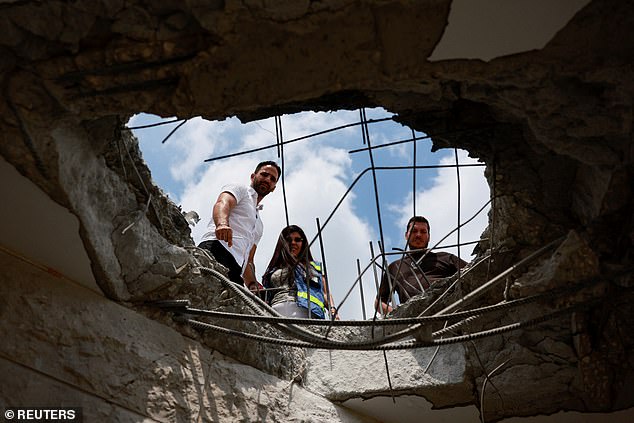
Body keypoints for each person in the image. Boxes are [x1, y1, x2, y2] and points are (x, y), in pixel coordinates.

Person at [198, 161, 281, 289]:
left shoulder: (259, 224)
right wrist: (222, 224)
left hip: (236, 268)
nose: (267, 179)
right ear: (253, 176)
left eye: (272, 179)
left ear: (273, 187)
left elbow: (249, 259)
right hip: (217, 248)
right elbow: (223, 203)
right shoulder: (241, 189)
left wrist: (252, 283)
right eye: (264, 174)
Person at [375, 216, 468, 315]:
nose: (418, 235)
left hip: (447, 309)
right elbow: (379, 303)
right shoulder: (395, 267)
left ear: (429, 236)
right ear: (406, 235)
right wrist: (398, 315)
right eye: (414, 231)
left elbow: (472, 271)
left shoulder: (446, 258)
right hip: (415, 318)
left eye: (423, 232)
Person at [262, 225, 339, 319]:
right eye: (288, 239)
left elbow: (325, 293)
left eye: (297, 240)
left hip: (306, 311)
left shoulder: (312, 267)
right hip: (276, 311)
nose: (293, 243)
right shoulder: (273, 269)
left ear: (303, 244)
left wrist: (333, 310)